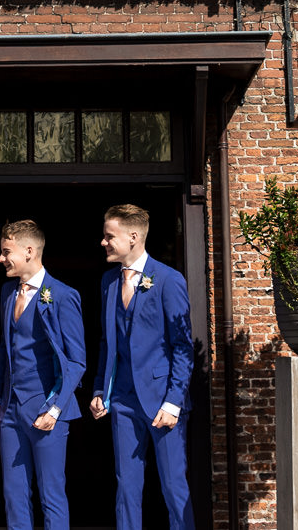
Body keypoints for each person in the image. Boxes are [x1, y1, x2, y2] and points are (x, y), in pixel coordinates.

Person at [90, 204, 196, 530]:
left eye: (110, 236)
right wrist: (99, 389)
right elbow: (108, 343)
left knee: (173, 487)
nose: (103, 242)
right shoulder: (108, 282)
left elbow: (182, 347)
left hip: (162, 399)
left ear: (133, 237)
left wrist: (173, 401)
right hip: (122, 399)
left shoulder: (168, 280)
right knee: (126, 486)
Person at [0, 219, 87, 530]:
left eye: (7, 252)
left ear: (29, 251)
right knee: (13, 493)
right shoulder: (7, 293)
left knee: (51, 493)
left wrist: (55, 409)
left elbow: (76, 362)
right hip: (11, 410)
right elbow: (5, 349)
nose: (1, 259)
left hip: (47, 410)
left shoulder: (62, 295)